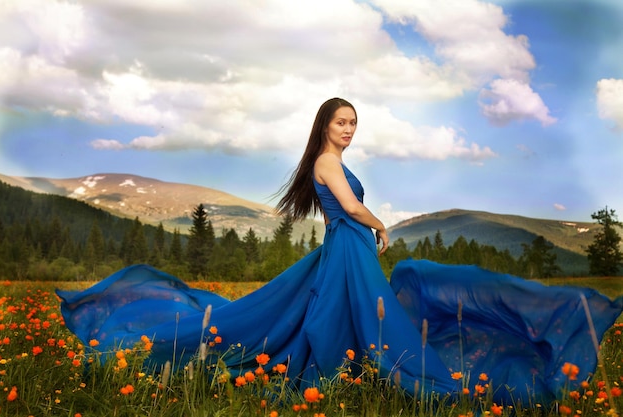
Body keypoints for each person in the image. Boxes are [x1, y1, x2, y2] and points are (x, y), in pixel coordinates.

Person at [58, 98, 623, 406]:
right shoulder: (327, 162)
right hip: (351, 242)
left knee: (336, 309)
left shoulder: (330, 159)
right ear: (324, 126)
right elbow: (350, 209)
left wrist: (366, 227)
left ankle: (352, 365)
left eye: (354, 124)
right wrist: (380, 224)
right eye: (342, 122)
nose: (349, 130)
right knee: (333, 311)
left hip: (347, 248)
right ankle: (337, 367)